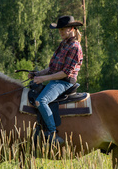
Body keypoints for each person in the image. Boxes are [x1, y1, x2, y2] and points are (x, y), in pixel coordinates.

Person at [29, 15, 83, 145]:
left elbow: (65, 72)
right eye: (59, 30)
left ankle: (52, 134)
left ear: (71, 29)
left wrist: (43, 78)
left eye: (63, 29)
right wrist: (37, 73)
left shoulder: (75, 47)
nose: (60, 32)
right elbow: (52, 68)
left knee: (41, 100)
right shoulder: (63, 44)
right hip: (56, 80)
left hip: (64, 82)